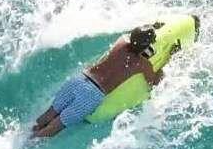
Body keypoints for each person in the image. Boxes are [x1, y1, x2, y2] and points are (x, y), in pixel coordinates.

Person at [31, 25, 163, 139]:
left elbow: (133, 37)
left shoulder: (121, 41)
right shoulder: (142, 64)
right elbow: (152, 82)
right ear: (146, 46)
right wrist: (164, 63)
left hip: (80, 79)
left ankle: (28, 135)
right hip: (93, 94)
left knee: (50, 114)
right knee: (56, 125)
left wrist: (152, 27)